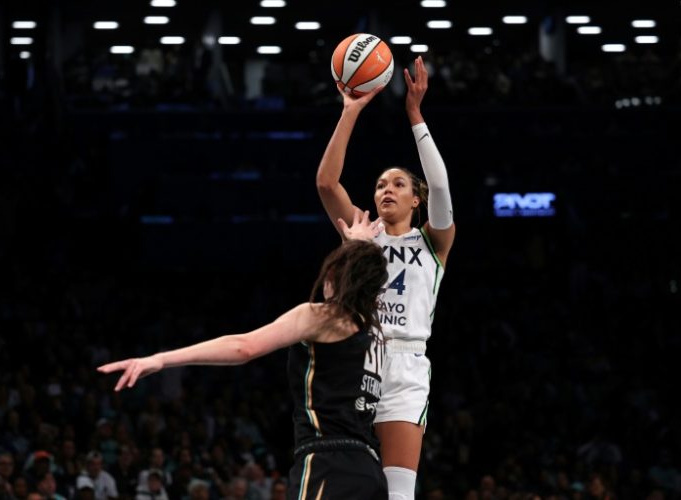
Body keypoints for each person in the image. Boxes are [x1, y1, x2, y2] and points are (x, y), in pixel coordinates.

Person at [98, 213, 389, 500]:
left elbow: (243, 347)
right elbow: (365, 274)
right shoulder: (376, 334)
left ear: (338, 276)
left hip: (328, 466)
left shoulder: (321, 317)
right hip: (371, 472)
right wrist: (357, 245)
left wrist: (161, 359)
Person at [316, 55, 455, 500]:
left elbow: (442, 187)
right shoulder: (360, 234)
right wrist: (349, 111)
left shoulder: (433, 243)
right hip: (359, 358)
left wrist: (415, 116)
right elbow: (325, 183)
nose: (386, 190)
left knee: (398, 492)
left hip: (407, 366)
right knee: (346, 486)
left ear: (417, 199)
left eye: (397, 184)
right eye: (380, 185)